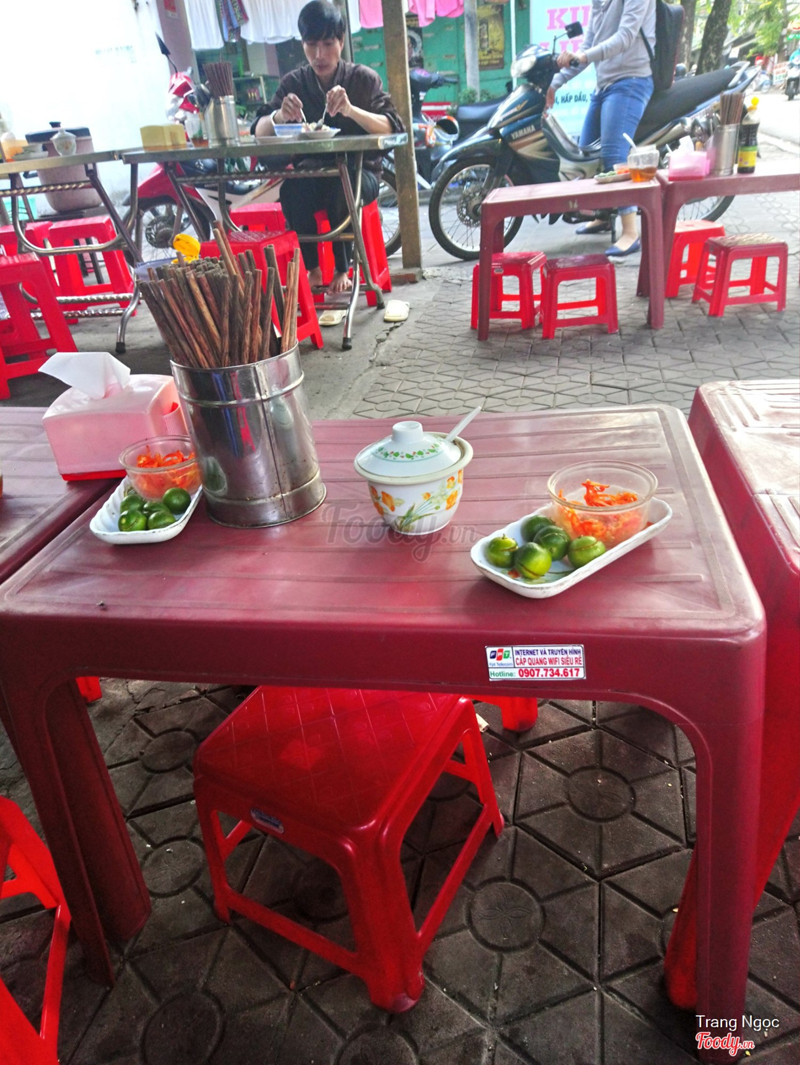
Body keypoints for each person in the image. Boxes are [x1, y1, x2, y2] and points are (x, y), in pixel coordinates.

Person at [252, 0, 403, 294]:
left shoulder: (363, 79)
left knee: (340, 187)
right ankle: (313, 269)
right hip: (312, 174)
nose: (319, 54)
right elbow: (259, 130)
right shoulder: (294, 83)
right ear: (302, 44)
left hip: (361, 174)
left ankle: (342, 269)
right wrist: (279, 116)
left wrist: (350, 110)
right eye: (311, 45)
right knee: (291, 191)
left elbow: (392, 127)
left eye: (327, 44)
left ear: (341, 41)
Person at [546, 0, 656, 256]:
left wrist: (584, 56)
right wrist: (554, 84)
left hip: (632, 80)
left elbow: (625, 36)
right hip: (605, 84)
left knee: (613, 155)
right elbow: (587, 47)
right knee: (587, 153)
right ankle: (604, 216)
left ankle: (631, 232)